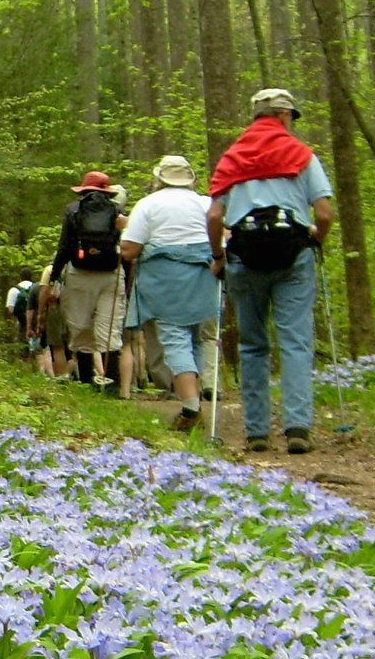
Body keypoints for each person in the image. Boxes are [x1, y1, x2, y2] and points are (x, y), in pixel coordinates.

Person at [206, 88, 335, 455]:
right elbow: (324, 213)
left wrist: (218, 255)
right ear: (282, 116)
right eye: (291, 117)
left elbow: (215, 216)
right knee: (295, 341)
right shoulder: (302, 155)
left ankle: (257, 431)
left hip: (244, 259)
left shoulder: (232, 158)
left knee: (252, 344)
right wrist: (315, 237)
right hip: (293, 256)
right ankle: (297, 428)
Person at [122, 155, 222, 431]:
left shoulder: (148, 205)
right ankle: (196, 399)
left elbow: (129, 250)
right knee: (195, 337)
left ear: (159, 178)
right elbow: (222, 238)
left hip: (165, 280)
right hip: (202, 277)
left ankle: (190, 408)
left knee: (175, 338)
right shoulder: (204, 203)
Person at [45, 171, 129, 390]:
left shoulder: (73, 210)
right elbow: (127, 246)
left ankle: (86, 382)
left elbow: (64, 246)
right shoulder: (118, 212)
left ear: (84, 189)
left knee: (80, 325)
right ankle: (111, 385)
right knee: (109, 329)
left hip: (80, 274)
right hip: (111, 274)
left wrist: (54, 277)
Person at [5, 273, 42, 353]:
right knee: (39, 348)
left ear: (20, 277)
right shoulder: (37, 287)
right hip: (38, 320)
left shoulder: (14, 290)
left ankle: (24, 360)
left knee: (22, 345)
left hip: (21, 321)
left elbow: (10, 309)